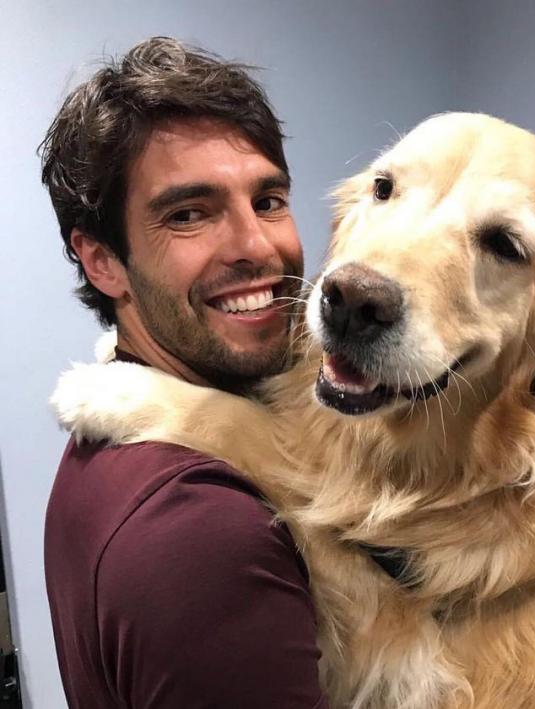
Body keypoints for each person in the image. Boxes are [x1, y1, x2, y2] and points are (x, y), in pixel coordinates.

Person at [42, 36, 328, 709]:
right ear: (103, 259)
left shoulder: (106, 447)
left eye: (267, 200)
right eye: (188, 214)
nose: (256, 248)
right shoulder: (201, 531)